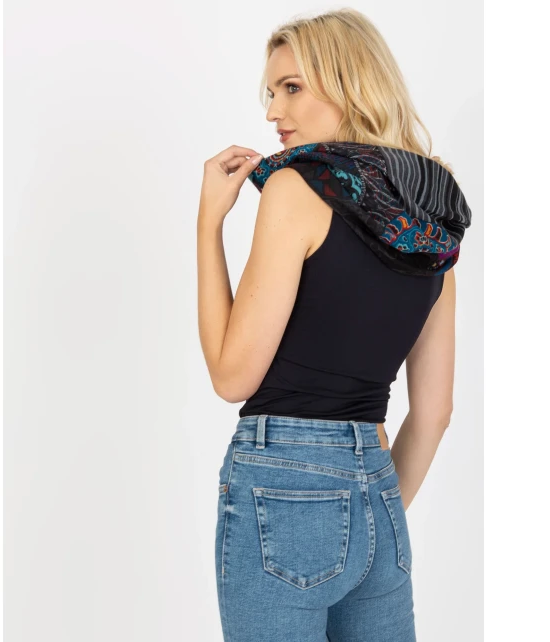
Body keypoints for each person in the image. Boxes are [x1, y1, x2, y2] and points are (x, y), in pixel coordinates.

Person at [197, 8, 472, 641]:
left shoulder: (295, 188)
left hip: (283, 482)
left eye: (291, 87)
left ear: (349, 83)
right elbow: (434, 413)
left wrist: (209, 224)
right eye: (271, 93)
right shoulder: (434, 215)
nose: (274, 111)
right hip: (380, 497)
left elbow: (232, 377)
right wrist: (367, 508)